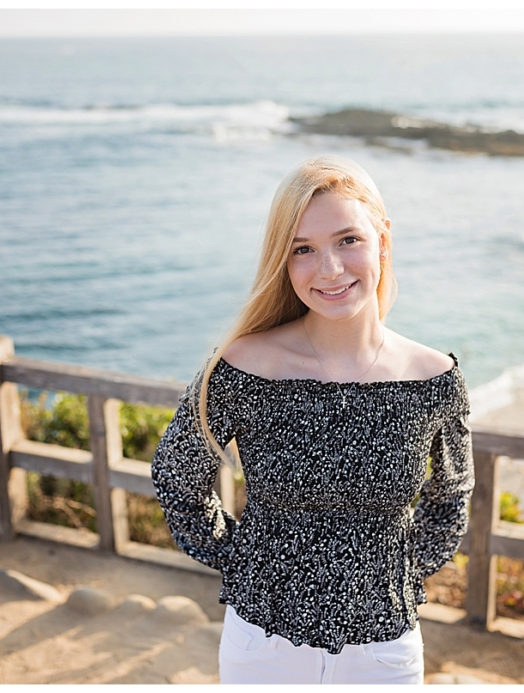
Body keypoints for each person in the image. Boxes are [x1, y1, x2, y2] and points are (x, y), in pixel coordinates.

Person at [151, 155, 474, 685]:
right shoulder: (242, 365)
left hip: (385, 649)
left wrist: (398, 575)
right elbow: (177, 475)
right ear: (284, 260)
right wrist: (243, 561)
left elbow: (450, 498)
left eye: (348, 240)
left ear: (383, 239)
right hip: (262, 645)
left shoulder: (435, 377)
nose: (329, 269)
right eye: (304, 249)